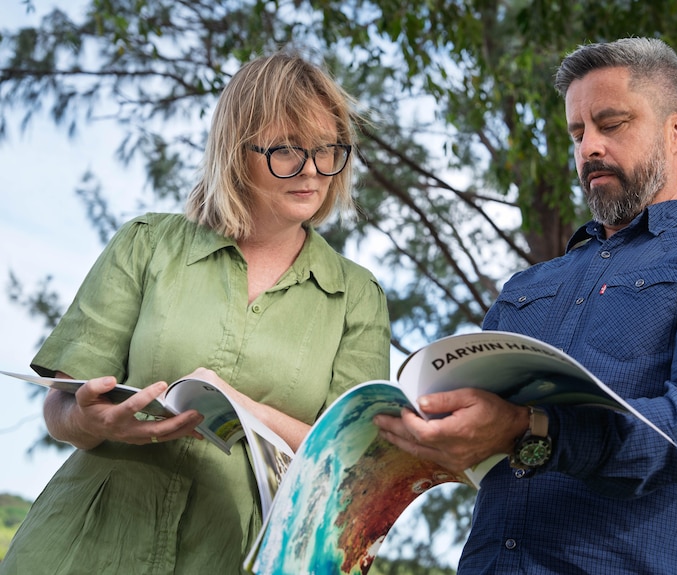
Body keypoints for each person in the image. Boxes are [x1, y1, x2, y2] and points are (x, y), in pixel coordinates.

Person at [375, 37, 677, 574]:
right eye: (577, 132)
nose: (589, 148)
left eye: (612, 124)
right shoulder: (526, 286)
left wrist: (529, 429)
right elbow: (469, 435)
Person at [1, 50, 390, 574]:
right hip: (89, 543)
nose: (313, 171)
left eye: (328, 150)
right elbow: (62, 410)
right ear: (236, 151)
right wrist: (92, 421)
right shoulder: (147, 244)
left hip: (236, 553)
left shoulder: (358, 297)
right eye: (287, 151)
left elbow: (358, 461)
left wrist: (239, 406)